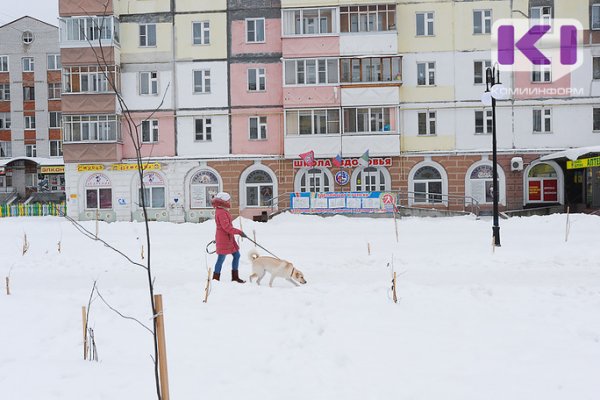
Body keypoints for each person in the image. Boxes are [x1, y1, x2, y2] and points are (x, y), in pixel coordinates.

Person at [211, 192, 247, 283]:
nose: (229, 201)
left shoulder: (222, 210)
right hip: (224, 239)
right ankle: (215, 279)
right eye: (228, 200)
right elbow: (227, 228)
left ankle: (235, 277)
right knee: (221, 258)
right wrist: (239, 232)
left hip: (228, 238)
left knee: (236, 255)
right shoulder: (221, 212)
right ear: (224, 201)